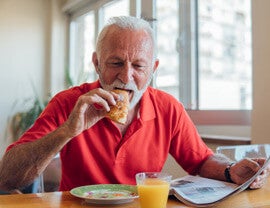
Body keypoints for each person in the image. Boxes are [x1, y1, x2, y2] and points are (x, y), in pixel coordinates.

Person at [0, 16, 269, 192]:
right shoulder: (69, 103)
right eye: (115, 63)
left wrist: (230, 170)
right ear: (96, 63)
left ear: (153, 68)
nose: (126, 77)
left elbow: (201, 160)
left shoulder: (167, 107)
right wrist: (67, 131)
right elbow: (7, 178)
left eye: (138, 66)